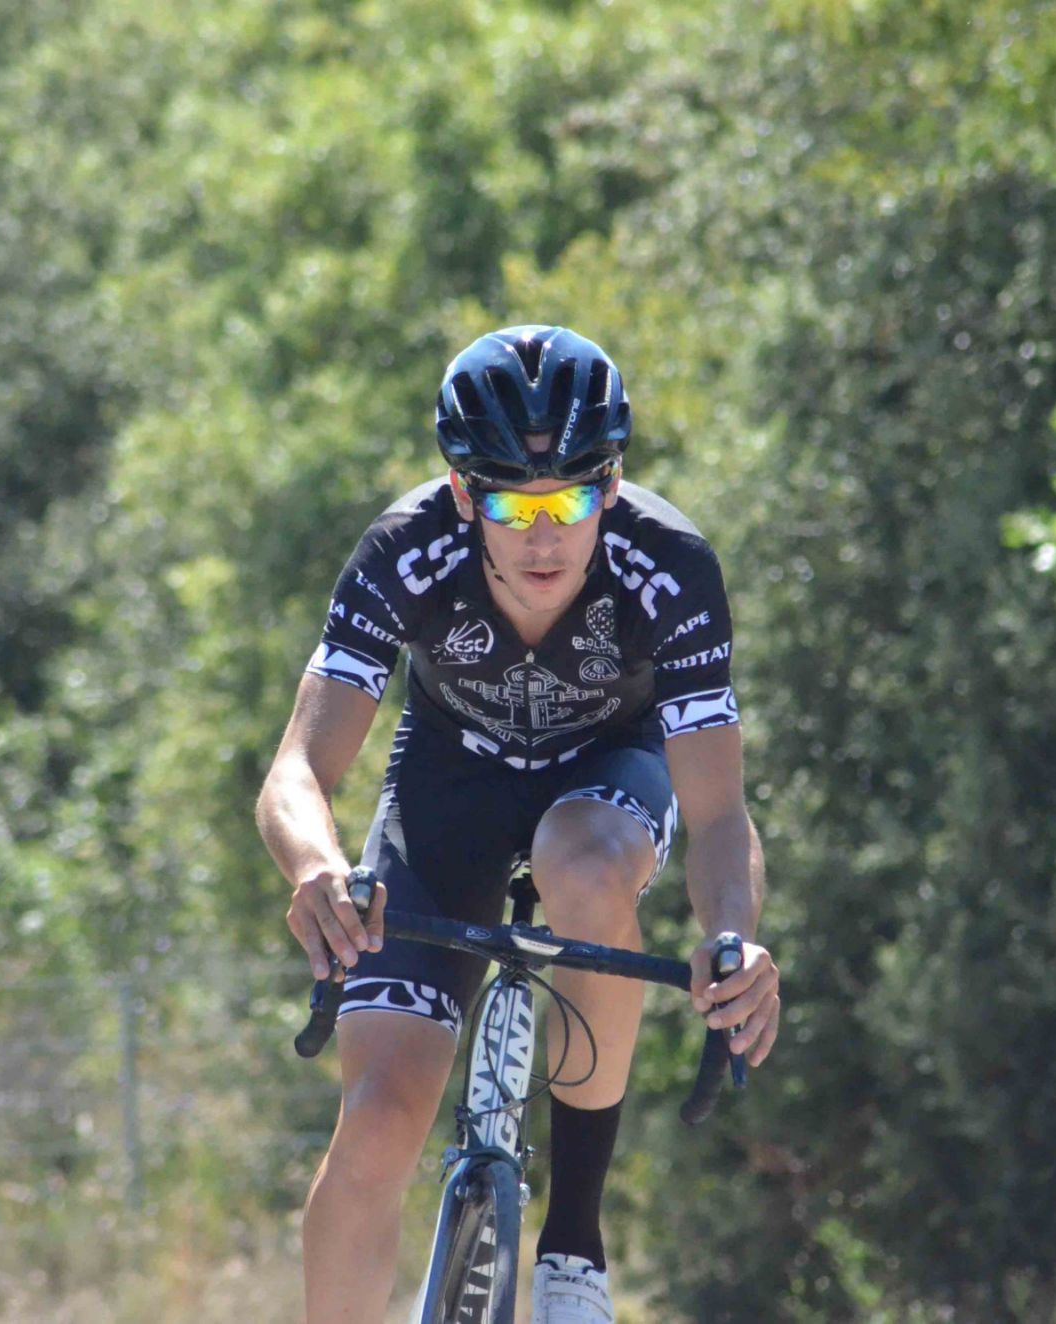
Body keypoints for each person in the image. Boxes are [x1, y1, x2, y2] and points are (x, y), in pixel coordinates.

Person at [257, 325, 781, 1323]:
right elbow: (296, 771)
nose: (545, 537)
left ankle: (573, 1247)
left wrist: (733, 937)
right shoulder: (403, 551)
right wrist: (317, 867)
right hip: (448, 783)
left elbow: (719, 814)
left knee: (581, 866)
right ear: (463, 495)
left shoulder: (670, 567)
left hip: (606, 773)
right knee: (376, 1124)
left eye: (570, 500)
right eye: (512, 503)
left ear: (610, 486)